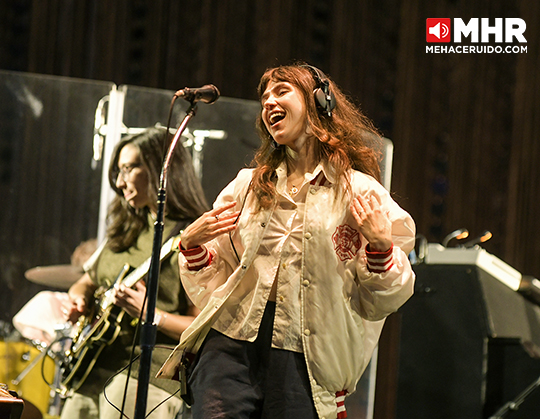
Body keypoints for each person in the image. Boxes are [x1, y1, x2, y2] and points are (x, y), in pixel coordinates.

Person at [158, 63, 416, 419]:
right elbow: (211, 287)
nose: (269, 103)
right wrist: (192, 247)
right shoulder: (248, 186)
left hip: (305, 355)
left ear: (318, 103)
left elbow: (385, 300)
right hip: (230, 344)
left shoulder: (359, 191)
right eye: (264, 97)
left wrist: (381, 248)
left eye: (281, 92)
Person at [61, 127, 208, 419]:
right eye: (118, 171)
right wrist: (78, 299)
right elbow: (85, 282)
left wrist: (153, 315)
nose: (119, 182)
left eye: (128, 169)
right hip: (95, 367)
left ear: (159, 169)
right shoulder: (126, 227)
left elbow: (203, 325)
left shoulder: (193, 235)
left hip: (149, 373)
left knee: (120, 396)